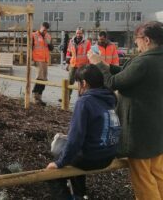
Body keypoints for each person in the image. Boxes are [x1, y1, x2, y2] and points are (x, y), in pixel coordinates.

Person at [88, 21, 163, 200]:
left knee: (143, 179)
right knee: (158, 173)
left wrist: (98, 64)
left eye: (137, 39)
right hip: (157, 130)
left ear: (146, 40)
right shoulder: (156, 59)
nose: (136, 43)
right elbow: (125, 72)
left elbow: (114, 83)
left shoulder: (144, 62)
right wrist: (106, 65)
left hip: (140, 131)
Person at [46, 64, 120, 199]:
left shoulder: (85, 101)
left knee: (53, 170)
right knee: (72, 155)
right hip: (109, 155)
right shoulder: (109, 99)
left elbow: (76, 139)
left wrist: (59, 163)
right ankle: (80, 194)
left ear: (84, 83)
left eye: (78, 83)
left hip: (92, 158)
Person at [31, 22, 53, 105]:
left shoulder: (48, 36)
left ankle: (40, 96)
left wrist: (49, 43)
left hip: (45, 60)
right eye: (44, 29)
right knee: (40, 77)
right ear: (41, 27)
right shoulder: (34, 35)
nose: (45, 31)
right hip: (37, 59)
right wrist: (31, 59)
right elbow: (30, 47)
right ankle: (34, 95)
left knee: (44, 78)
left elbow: (51, 48)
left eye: (46, 30)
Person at [66, 27, 91, 100]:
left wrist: (89, 66)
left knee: (82, 83)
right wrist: (67, 60)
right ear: (75, 33)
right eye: (77, 33)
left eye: (80, 33)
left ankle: (80, 98)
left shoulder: (87, 42)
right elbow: (68, 51)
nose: (78, 35)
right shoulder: (71, 41)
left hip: (82, 66)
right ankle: (67, 97)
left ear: (82, 34)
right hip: (73, 65)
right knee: (70, 81)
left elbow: (89, 54)